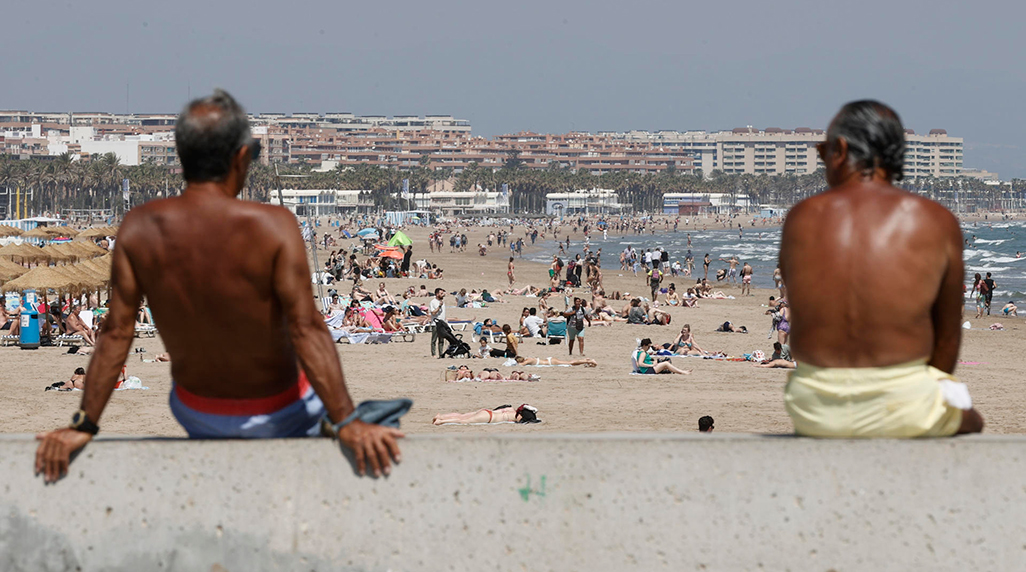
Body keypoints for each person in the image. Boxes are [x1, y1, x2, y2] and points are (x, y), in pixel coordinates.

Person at [35, 90, 402, 483]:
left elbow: (116, 332)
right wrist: (346, 419)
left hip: (197, 410)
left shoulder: (140, 227)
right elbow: (307, 328)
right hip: (279, 409)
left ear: (181, 153)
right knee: (385, 414)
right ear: (241, 157)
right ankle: (331, 422)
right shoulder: (272, 225)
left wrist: (83, 424)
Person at [779, 100, 983, 438]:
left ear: (840, 150)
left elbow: (807, 311)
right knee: (972, 420)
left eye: (823, 150)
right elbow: (947, 336)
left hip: (814, 406)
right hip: (906, 404)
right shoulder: (935, 220)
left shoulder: (802, 217)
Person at [432, 404, 539, 425]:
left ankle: (441, 416)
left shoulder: (510, 408)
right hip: (489, 417)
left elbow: (525, 405)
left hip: (487, 411)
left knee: (462, 415)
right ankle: (441, 421)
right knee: (463, 421)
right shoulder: (517, 419)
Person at [515, 355, 598, 367]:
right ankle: (586, 360)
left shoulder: (527, 361)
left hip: (551, 362)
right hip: (549, 360)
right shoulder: (528, 358)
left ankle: (588, 361)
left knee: (570, 363)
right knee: (569, 362)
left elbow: (521, 366)